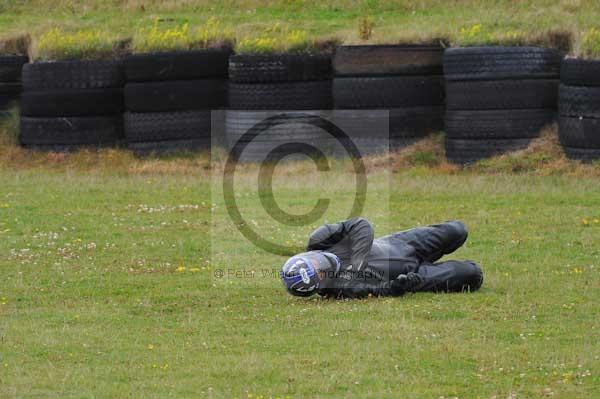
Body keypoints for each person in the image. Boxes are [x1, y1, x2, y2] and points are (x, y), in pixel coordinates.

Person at [280, 217, 483, 299]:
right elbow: (377, 290)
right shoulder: (341, 289)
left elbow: (361, 225)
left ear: (308, 254)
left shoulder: (320, 238)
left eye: (316, 264)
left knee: (458, 230)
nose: (323, 268)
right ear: (319, 285)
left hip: (403, 243)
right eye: (321, 274)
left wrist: (357, 263)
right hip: (414, 274)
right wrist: (401, 285)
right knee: (472, 274)